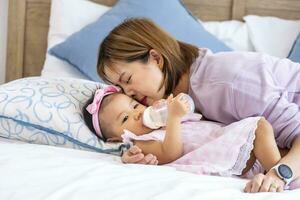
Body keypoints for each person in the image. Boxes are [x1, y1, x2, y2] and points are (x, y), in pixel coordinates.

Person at [96, 18, 300, 192]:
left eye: (128, 79)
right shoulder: (175, 102)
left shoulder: (229, 83)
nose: (128, 93)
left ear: (156, 59)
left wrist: (278, 176)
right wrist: (140, 157)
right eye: (120, 88)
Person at [83, 85, 290, 193]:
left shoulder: (158, 120)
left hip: (223, 139)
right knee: (260, 127)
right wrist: (172, 118)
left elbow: (189, 109)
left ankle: (282, 175)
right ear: (113, 139)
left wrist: (171, 108)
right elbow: (170, 152)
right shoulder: (138, 142)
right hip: (219, 150)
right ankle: (280, 183)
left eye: (135, 105)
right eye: (125, 118)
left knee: (285, 154)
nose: (137, 114)